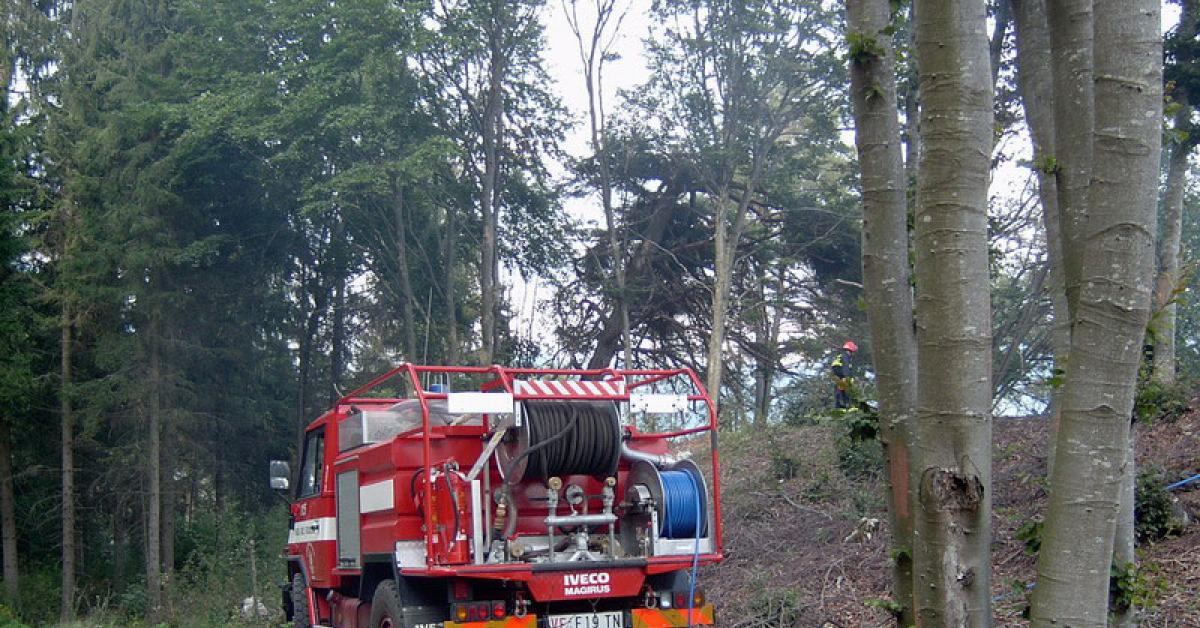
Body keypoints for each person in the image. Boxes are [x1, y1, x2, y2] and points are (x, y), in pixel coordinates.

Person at [830, 341, 857, 409]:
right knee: (845, 394)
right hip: (842, 375)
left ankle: (839, 408)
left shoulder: (841, 355)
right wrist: (847, 378)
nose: (852, 354)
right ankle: (846, 407)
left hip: (838, 376)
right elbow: (846, 368)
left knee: (839, 393)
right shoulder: (845, 356)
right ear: (850, 350)